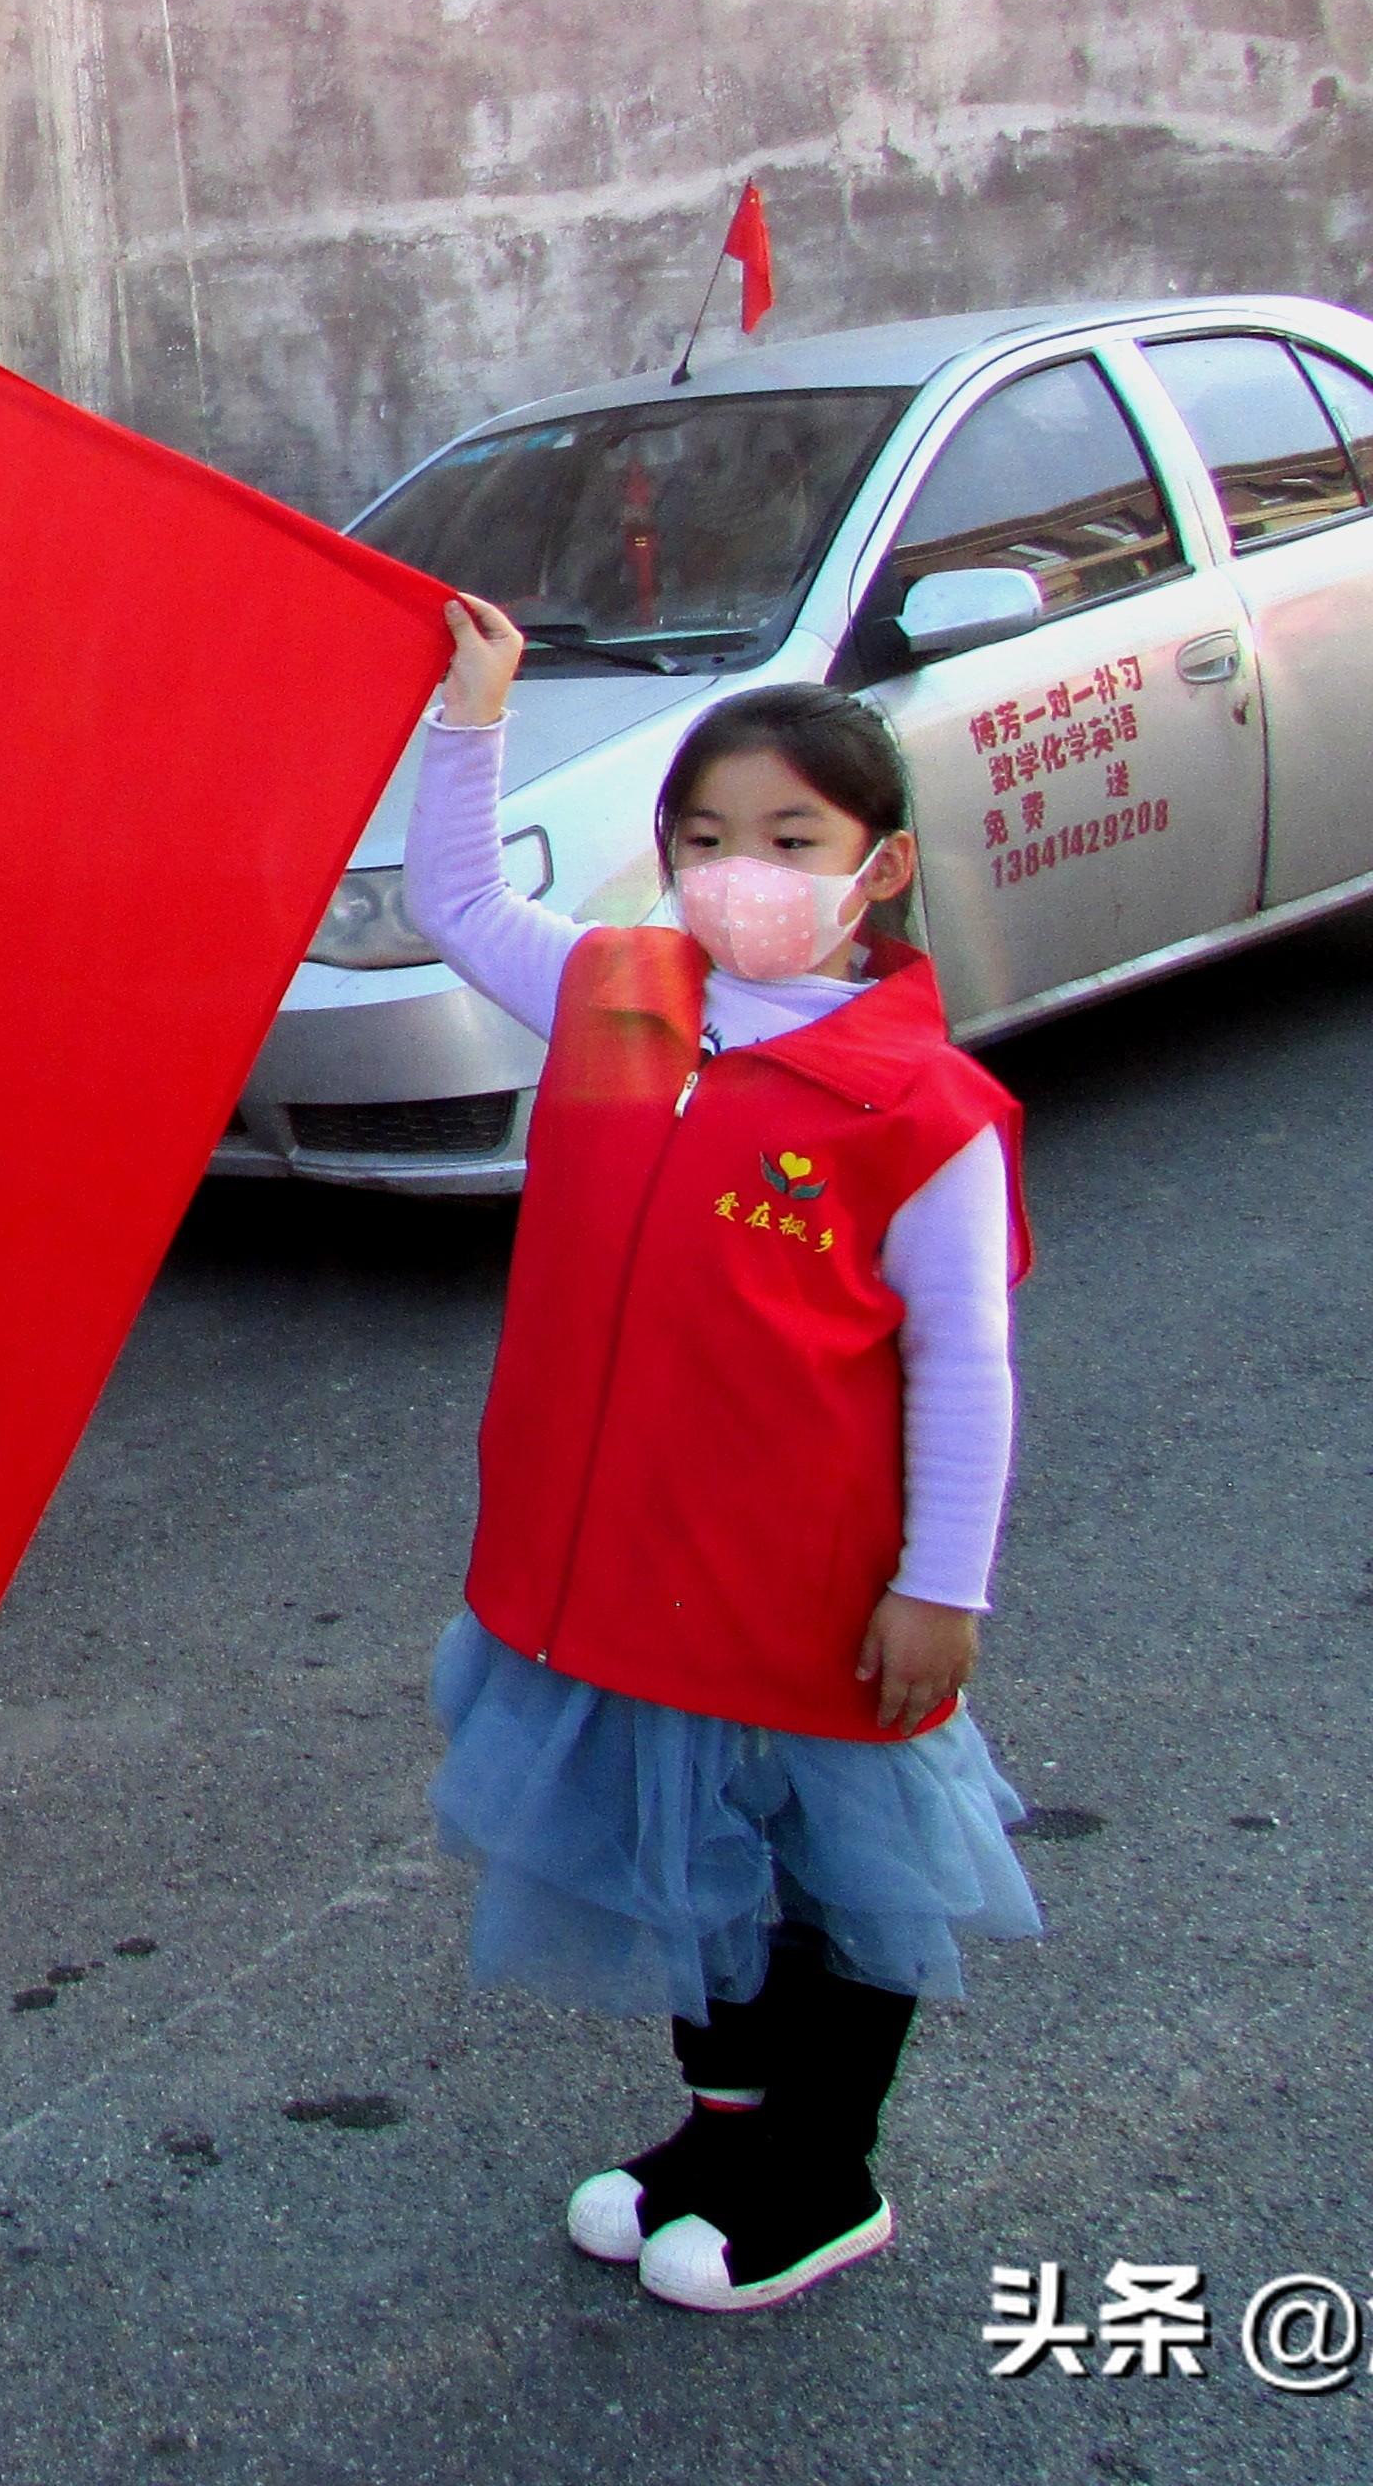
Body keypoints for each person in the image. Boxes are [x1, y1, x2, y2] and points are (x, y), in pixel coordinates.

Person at [405, 599, 1043, 2312]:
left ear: (877, 865)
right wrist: (473, 718)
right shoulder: (619, 996)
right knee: (686, 1863)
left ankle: (821, 2176)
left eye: (786, 839)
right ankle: (721, 2128)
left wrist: (940, 1588)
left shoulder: (916, 1112)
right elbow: (453, 906)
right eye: (699, 840)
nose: (733, 871)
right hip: (620, 1573)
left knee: (841, 1880)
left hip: (809, 1590)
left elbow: (963, 1365)